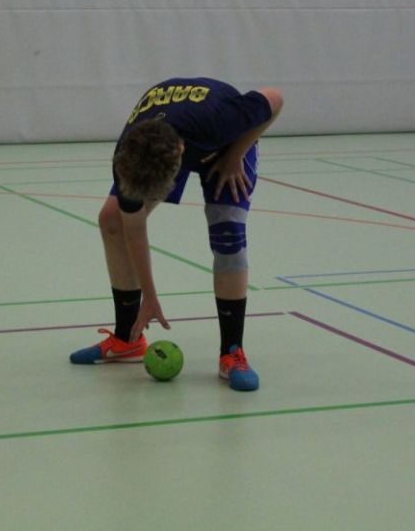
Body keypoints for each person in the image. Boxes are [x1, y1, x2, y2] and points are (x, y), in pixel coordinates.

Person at [69, 77, 283, 391]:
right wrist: (150, 297)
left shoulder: (222, 119)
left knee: (228, 234)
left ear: (182, 153)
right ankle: (127, 339)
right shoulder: (128, 154)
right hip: (171, 136)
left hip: (225, 145)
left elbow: (274, 99)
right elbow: (134, 229)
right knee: (112, 220)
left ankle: (231, 352)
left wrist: (236, 154)